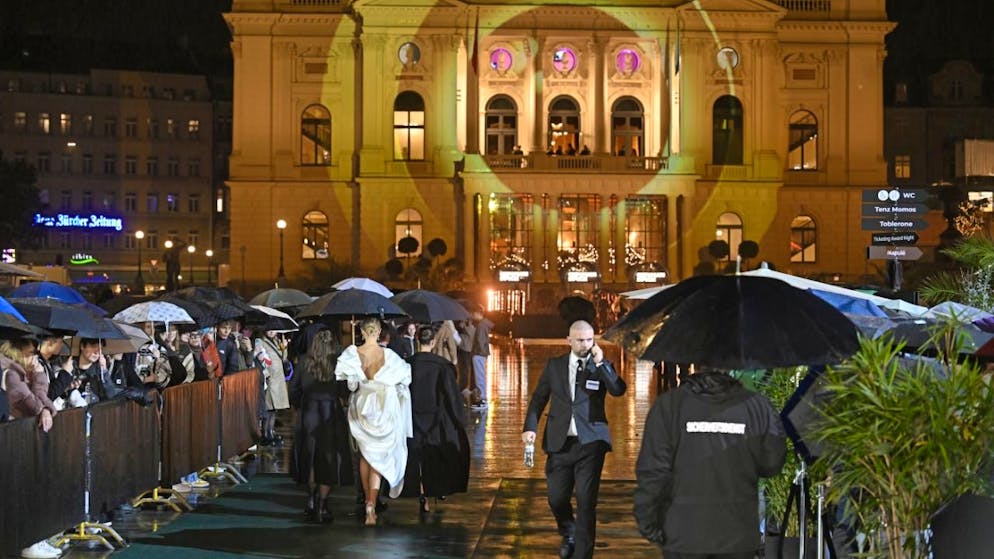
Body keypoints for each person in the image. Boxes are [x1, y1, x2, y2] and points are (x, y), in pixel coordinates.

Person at [633, 368, 786, 558]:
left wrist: (649, 524)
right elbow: (772, 464)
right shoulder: (757, 406)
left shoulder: (669, 406)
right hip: (737, 533)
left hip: (683, 534)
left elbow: (653, 472)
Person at [522, 320, 627, 559]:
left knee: (586, 501)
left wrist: (601, 363)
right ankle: (568, 530)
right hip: (560, 443)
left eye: (590, 340)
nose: (585, 345)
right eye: (580, 340)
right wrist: (530, 427)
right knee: (556, 498)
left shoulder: (600, 367)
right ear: (568, 340)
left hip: (591, 444)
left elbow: (618, 390)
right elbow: (539, 398)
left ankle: (582, 554)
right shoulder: (554, 366)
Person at [335, 318, 412, 525]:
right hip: (383, 409)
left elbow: (350, 385)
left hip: (362, 408)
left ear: (361, 332)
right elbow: (405, 377)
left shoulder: (353, 354)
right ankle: (371, 502)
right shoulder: (389, 356)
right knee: (377, 459)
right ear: (378, 333)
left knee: (365, 457)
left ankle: (367, 502)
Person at [403, 326, 470, 513]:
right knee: (434, 455)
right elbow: (450, 394)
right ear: (433, 342)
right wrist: (459, 419)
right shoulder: (442, 366)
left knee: (418, 458)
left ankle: (422, 493)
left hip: (413, 416)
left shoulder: (408, 364)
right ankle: (435, 490)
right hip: (436, 417)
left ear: (417, 340)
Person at [290, 329, 351, 523]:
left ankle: (310, 500)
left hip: (308, 412)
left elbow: (294, 390)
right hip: (330, 414)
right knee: (328, 459)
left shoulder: (303, 362)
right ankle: (323, 506)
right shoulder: (337, 364)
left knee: (310, 458)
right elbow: (344, 391)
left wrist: (299, 407)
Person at [254, 330, 291, 445]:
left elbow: (283, 359)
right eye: (269, 329)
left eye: (274, 330)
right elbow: (261, 360)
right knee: (268, 408)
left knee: (274, 409)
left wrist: (284, 348)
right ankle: (266, 433)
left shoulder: (277, 341)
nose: (271, 332)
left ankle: (271, 431)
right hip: (270, 378)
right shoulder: (260, 342)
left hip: (278, 379)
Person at [470, 305, 494, 408]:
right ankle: (482, 398)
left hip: (479, 353)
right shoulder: (484, 325)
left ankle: (482, 399)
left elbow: (480, 340)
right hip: (482, 353)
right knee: (481, 376)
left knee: (479, 377)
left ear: (478, 313)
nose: (472, 315)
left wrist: (476, 351)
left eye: (473, 313)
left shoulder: (481, 325)